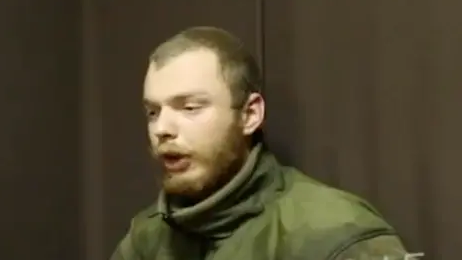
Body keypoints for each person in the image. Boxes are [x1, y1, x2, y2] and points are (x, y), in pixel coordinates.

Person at [110, 26, 410, 260]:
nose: (162, 129)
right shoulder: (145, 239)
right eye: (153, 112)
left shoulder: (336, 235)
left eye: (190, 108)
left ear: (250, 115)